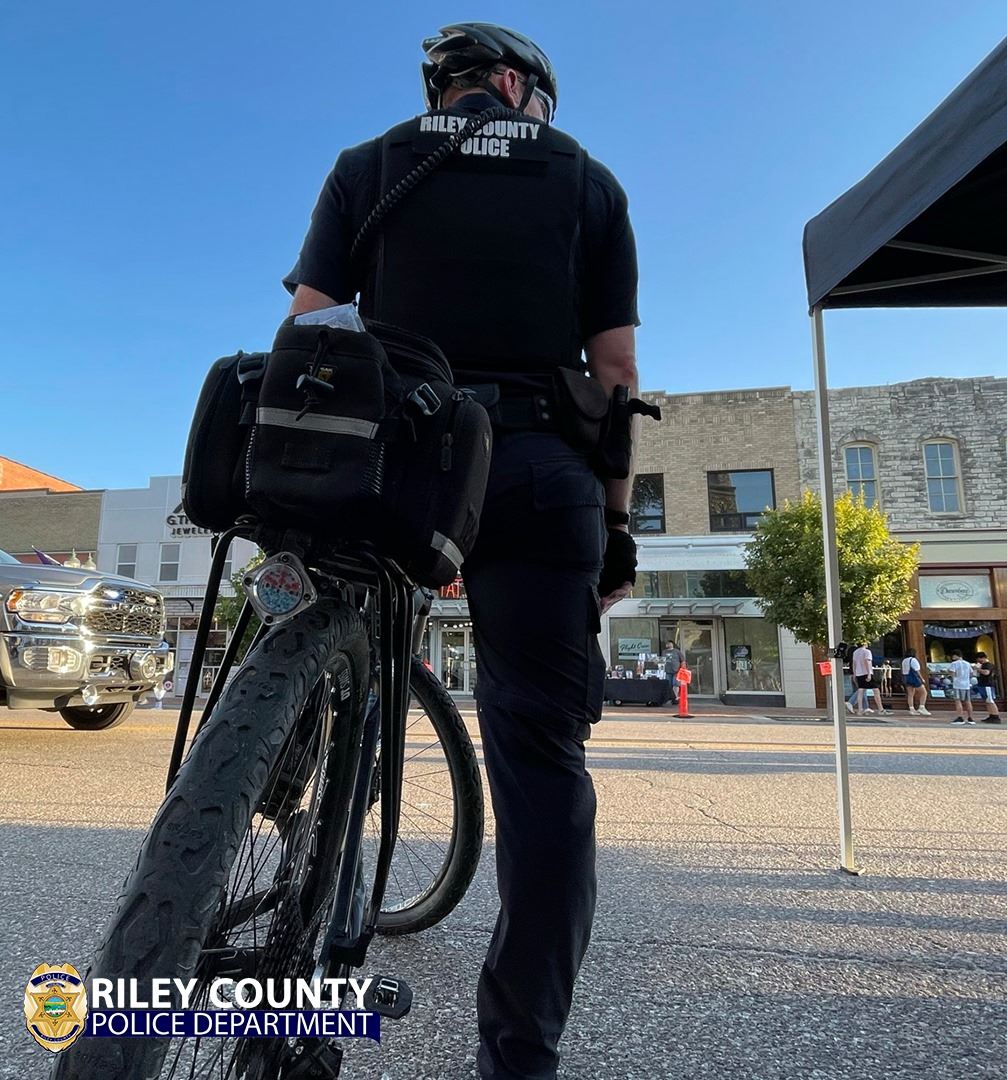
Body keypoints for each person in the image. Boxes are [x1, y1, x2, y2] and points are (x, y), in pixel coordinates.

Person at [283, 23, 640, 1079]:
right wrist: (615, 525)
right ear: (518, 86)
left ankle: (282, 832)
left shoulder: (367, 165)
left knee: (347, 680)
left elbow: (311, 327)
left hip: (397, 464)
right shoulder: (588, 178)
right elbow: (615, 369)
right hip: (534, 472)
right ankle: (518, 1058)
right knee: (540, 764)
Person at [845, 641, 885, 716]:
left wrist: (855, 673)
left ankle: (860, 710)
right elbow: (867, 662)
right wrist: (869, 673)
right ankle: (880, 709)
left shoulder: (855, 652)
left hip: (859, 673)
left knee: (861, 690)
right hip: (866, 672)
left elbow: (854, 663)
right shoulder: (867, 651)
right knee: (876, 690)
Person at [901, 648, 931, 716]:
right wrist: (922, 678)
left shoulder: (904, 660)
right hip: (914, 678)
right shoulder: (913, 660)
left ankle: (911, 709)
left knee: (910, 694)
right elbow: (917, 670)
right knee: (924, 692)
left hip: (906, 678)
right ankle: (922, 707)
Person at [973, 650, 1002, 723]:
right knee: (987, 701)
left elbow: (986, 672)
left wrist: (977, 669)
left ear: (982, 658)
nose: (978, 661)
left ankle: (996, 716)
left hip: (987, 685)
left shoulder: (987, 665)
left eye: (978, 659)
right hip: (983, 685)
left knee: (990, 700)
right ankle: (991, 715)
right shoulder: (984, 665)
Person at [948, 651, 976, 725]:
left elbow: (952, 673)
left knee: (958, 701)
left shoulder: (954, 664)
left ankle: (960, 717)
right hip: (966, 684)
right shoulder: (967, 663)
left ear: (956, 655)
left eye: (953, 656)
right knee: (968, 701)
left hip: (957, 684)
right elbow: (971, 673)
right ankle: (970, 718)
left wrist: (954, 679)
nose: (952, 658)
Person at [662, 639, 685, 705]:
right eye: (667, 643)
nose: (668, 644)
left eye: (669, 643)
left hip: (676, 670)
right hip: (667, 671)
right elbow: (662, 660)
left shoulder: (677, 651)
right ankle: (669, 698)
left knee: (676, 684)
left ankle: (675, 698)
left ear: (672, 644)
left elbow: (682, 660)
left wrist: (682, 668)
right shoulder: (664, 652)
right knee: (668, 685)